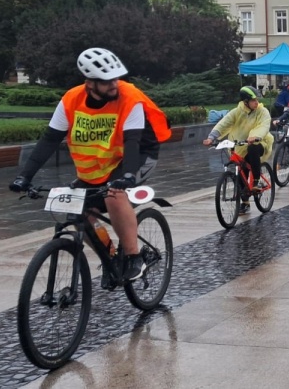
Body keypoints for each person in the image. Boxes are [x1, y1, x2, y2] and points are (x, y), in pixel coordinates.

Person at [9, 48, 172, 282]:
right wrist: (24, 177)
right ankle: (110, 255)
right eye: (107, 82)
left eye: (116, 79)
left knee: (113, 194)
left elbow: (133, 142)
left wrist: (126, 176)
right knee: (78, 210)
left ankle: (134, 256)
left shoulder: (130, 98)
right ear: (89, 83)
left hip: (137, 156)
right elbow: (50, 140)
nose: (114, 85)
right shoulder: (71, 100)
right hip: (100, 163)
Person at [203, 86, 275, 213]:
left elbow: (264, 125)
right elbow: (224, 123)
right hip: (240, 145)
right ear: (245, 102)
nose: (256, 102)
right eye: (253, 100)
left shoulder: (262, 111)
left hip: (260, 142)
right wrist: (211, 138)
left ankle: (256, 182)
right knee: (240, 170)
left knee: (252, 149)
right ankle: (245, 203)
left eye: (257, 100)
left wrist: (256, 136)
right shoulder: (237, 112)